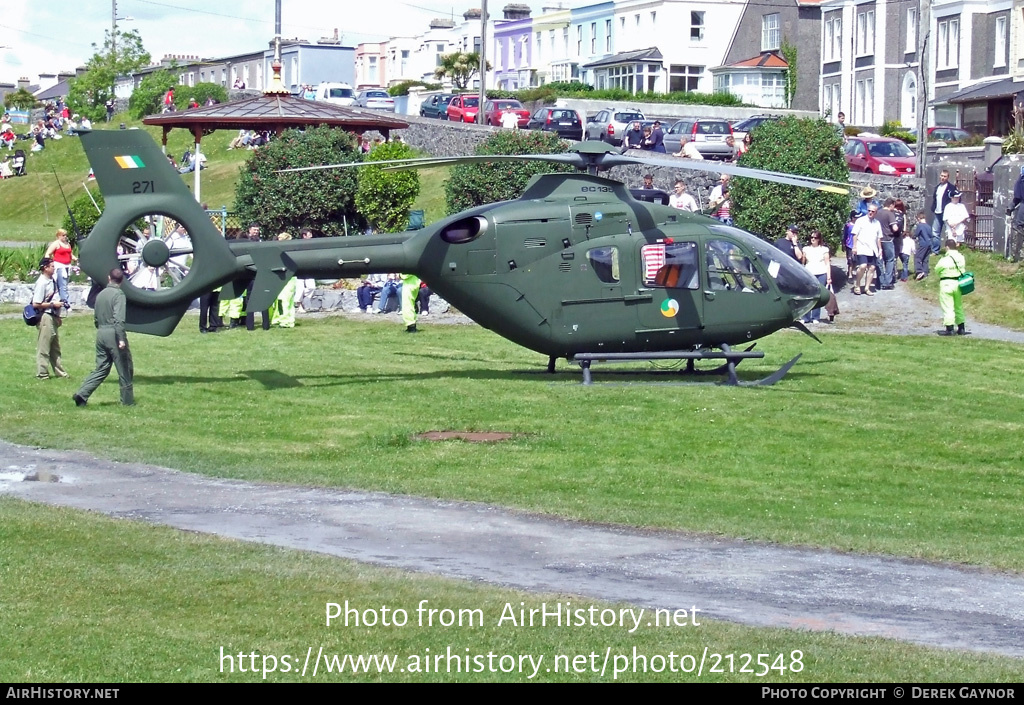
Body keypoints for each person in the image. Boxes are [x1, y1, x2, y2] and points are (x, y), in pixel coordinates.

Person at [73, 268, 134, 406]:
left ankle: (82, 393)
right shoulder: (119, 295)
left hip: (101, 332)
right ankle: (127, 401)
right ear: (122, 280)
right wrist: (121, 339)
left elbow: (96, 317)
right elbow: (119, 320)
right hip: (113, 333)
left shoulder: (100, 294)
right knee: (125, 367)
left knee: (102, 367)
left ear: (108, 278)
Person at [31, 257, 68, 379]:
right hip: (45, 316)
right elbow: (36, 303)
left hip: (52, 315)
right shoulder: (41, 283)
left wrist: (57, 315)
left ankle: (60, 372)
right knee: (44, 346)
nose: (54, 268)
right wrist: (53, 305)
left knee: (55, 347)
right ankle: (42, 373)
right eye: (52, 266)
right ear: (45, 268)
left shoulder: (51, 280)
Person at [934, 239, 968, 336]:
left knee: (948, 307)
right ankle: (961, 328)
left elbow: (937, 270)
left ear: (947, 247)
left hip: (946, 283)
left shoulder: (944, 259)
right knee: (958, 306)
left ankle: (950, 328)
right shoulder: (961, 257)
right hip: (958, 283)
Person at [801, 230, 832, 323]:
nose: (813, 239)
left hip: (821, 273)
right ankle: (805, 317)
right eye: (811, 237)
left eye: (815, 238)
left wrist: (829, 277)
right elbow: (803, 262)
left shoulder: (824, 249)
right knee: (807, 295)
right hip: (809, 273)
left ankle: (815, 317)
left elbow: (827, 264)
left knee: (818, 295)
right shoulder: (806, 249)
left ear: (819, 239)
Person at [851, 204, 882, 295]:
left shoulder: (877, 223)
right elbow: (855, 234)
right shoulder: (860, 221)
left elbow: (879, 237)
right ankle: (857, 284)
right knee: (863, 266)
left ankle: (867, 288)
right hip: (862, 247)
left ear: (876, 212)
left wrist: (880, 249)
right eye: (869, 211)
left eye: (873, 211)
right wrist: (854, 246)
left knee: (872, 268)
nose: (870, 213)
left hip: (873, 249)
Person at [44, 228, 76, 309]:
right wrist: (49, 263)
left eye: (66, 235)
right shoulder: (56, 244)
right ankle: (65, 302)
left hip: (67, 266)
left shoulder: (67, 244)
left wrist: (76, 259)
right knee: (63, 285)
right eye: (63, 235)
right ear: (58, 236)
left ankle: (62, 301)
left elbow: (70, 255)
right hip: (59, 266)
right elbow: (48, 253)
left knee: (65, 285)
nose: (65, 237)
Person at [930, 170, 956, 253]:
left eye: (945, 176)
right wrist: (933, 208)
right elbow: (935, 199)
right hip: (937, 213)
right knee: (935, 232)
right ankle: (935, 251)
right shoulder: (937, 187)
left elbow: (956, 200)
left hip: (947, 214)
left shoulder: (951, 188)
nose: (943, 178)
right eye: (941, 176)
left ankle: (951, 250)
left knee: (949, 232)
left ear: (948, 177)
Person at [913, 211, 932, 280]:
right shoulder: (928, 226)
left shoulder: (920, 226)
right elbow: (931, 235)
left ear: (918, 218)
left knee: (918, 257)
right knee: (925, 259)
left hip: (923, 243)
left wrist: (913, 236)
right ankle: (925, 272)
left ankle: (919, 271)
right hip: (929, 244)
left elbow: (916, 234)